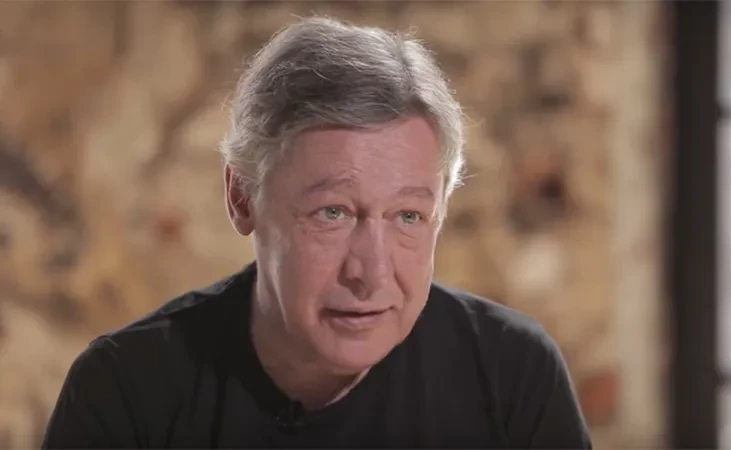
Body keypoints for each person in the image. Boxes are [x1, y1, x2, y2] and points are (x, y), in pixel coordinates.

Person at [42, 17, 591, 449]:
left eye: (408, 216)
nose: (371, 273)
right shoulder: (127, 390)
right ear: (242, 198)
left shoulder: (513, 375)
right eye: (334, 213)